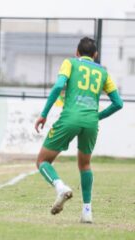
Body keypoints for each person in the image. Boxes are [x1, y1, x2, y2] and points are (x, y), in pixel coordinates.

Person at [34, 37, 123, 223]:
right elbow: (118, 103)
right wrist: (96, 116)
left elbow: (59, 85)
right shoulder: (103, 72)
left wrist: (43, 114)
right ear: (95, 55)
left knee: (42, 161)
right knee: (85, 165)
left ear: (77, 52)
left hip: (69, 119)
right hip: (91, 123)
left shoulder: (70, 63)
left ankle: (60, 187)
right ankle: (87, 212)